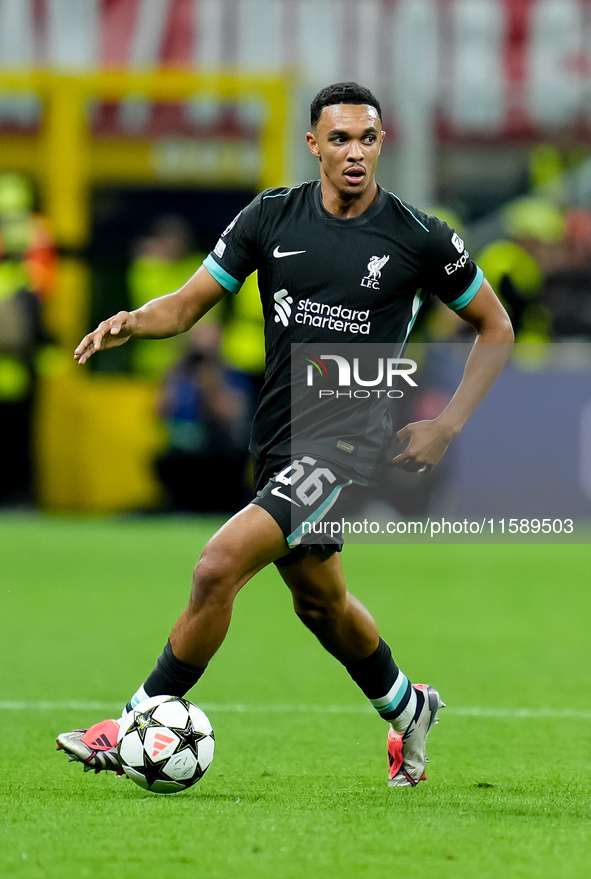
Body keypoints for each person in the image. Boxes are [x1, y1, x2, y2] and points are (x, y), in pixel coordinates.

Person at [57, 83, 514, 787]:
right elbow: (186, 305)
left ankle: (131, 724)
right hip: (276, 436)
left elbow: (496, 326)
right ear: (314, 146)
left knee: (217, 567)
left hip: (344, 444)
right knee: (319, 602)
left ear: (380, 143)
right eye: (339, 139)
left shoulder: (419, 237)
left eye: (366, 138)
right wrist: (133, 320)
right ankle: (408, 708)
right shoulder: (271, 216)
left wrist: (446, 426)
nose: (354, 152)